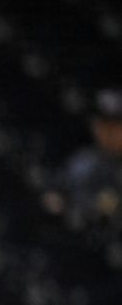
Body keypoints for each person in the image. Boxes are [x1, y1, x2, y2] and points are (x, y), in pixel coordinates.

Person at [43, 88, 122, 228]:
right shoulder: (84, 161)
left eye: (116, 125)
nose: (110, 131)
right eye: (104, 124)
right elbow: (53, 195)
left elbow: (110, 207)